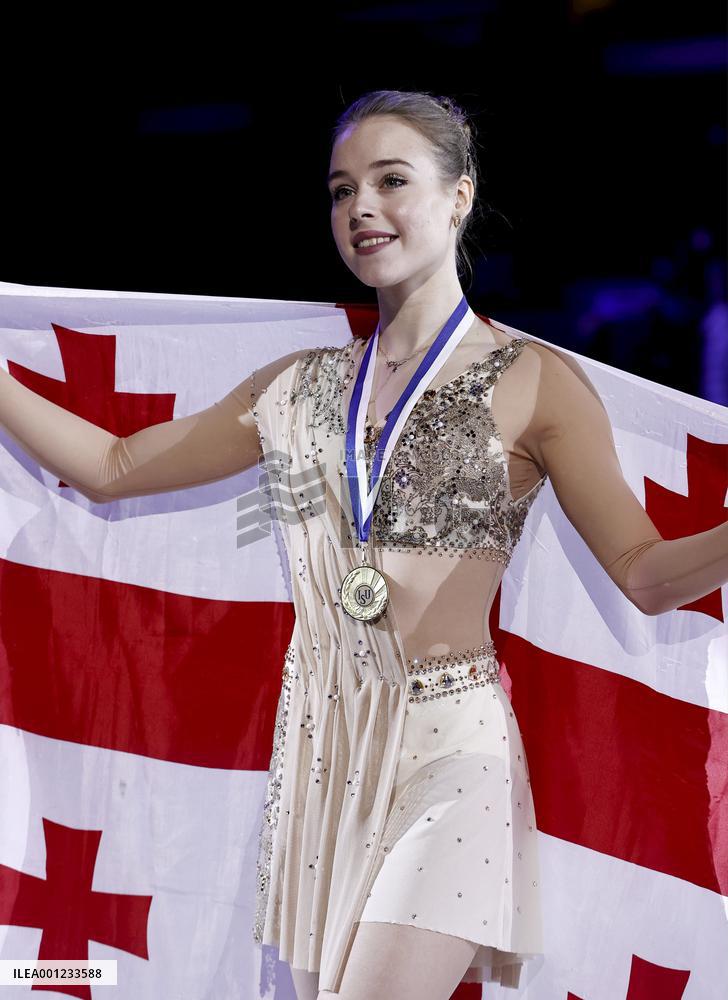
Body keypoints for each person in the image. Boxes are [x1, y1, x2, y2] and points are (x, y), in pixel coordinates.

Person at [0, 90, 726, 1000]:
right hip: (319, 752)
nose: (362, 209)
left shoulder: (539, 383)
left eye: (392, 181)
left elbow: (647, 577)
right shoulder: (296, 387)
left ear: (460, 194)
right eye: (343, 190)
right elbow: (111, 466)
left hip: (453, 751)